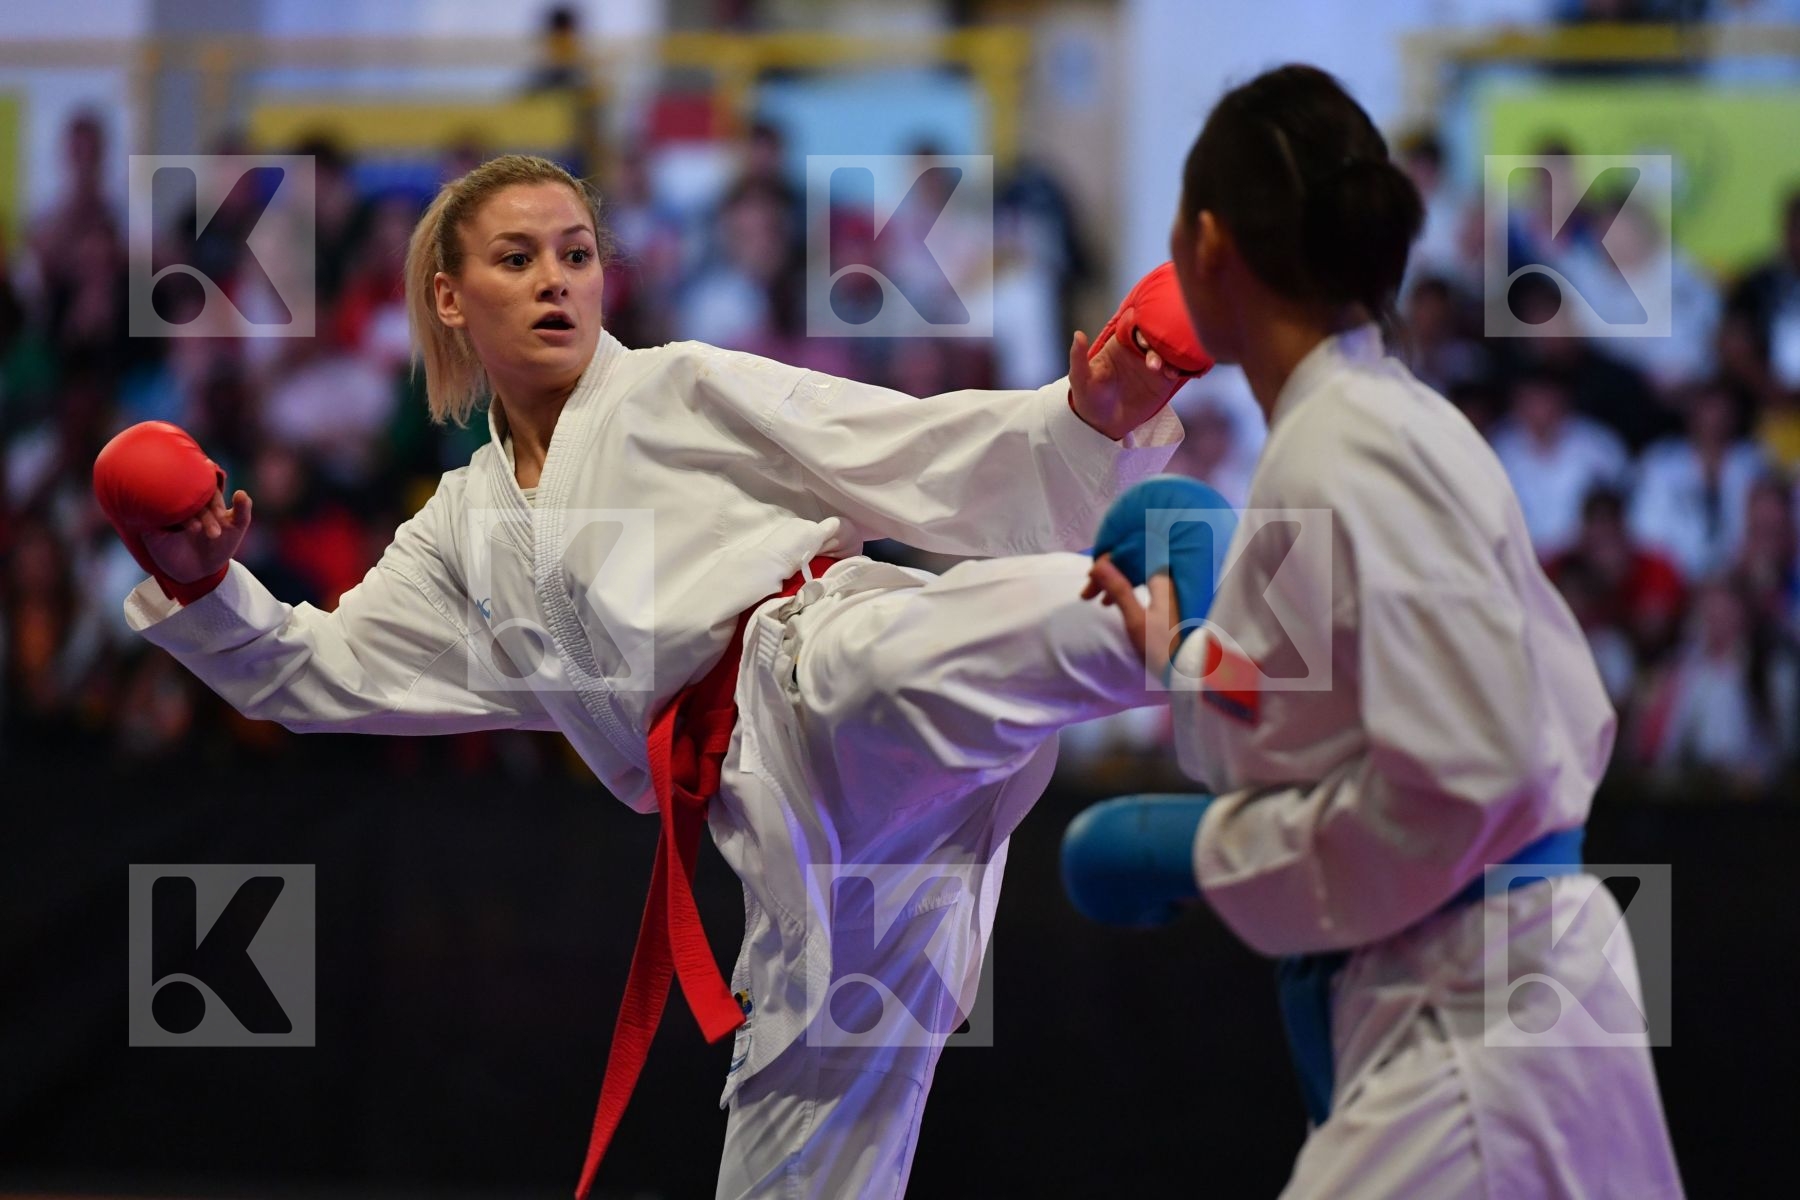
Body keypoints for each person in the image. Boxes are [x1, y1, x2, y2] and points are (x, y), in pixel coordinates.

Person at [94, 153, 1212, 1200]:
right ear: (447, 297)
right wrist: (203, 588)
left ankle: (1186, 618)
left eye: (577, 254)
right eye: (518, 257)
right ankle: (1161, 623)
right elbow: (315, 671)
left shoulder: (679, 386)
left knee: (898, 659)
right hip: (778, 837)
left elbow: (909, 448)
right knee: (806, 1114)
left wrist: (1088, 419)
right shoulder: (459, 535)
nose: (556, 282)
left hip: (804, 672)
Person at [1068, 65, 1682, 1197]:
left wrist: (1205, 853)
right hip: (1467, 1000)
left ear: (1209, 247)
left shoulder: (1355, 447)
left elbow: (1466, 765)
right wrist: (1184, 652)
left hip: (1480, 1018)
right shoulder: (1353, 430)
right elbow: (1314, 703)